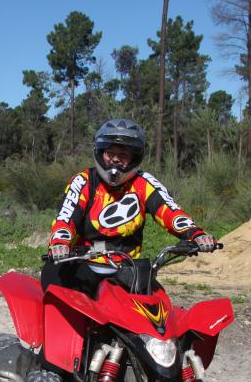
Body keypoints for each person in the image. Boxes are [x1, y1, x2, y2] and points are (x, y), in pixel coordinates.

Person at [41, 118, 217, 295]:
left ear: (134, 158)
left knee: (157, 303)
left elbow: (170, 211)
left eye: (123, 155)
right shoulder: (84, 181)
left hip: (127, 270)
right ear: (101, 153)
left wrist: (196, 234)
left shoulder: (144, 183)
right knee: (53, 275)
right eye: (110, 153)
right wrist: (59, 243)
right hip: (83, 263)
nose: (115, 160)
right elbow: (66, 218)